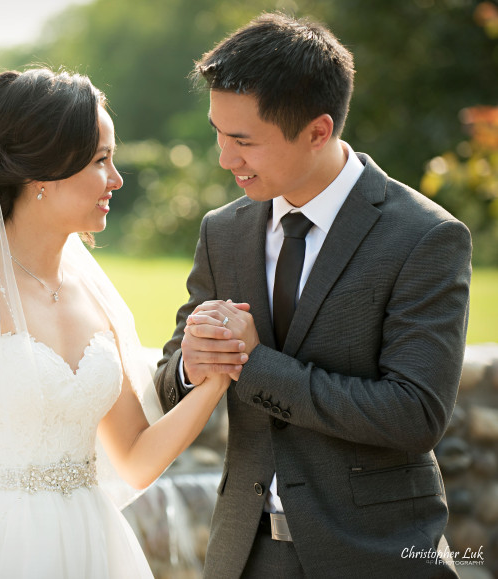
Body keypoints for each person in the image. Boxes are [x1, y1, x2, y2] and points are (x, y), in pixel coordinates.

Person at [0, 67, 231, 579]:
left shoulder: (95, 297)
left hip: (93, 547)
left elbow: (134, 458)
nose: (116, 179)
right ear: (44, 173)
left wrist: (217, 378)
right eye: (101, 160)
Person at [154, 13, 472, 578]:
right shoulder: (221, 232)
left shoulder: (425, 237)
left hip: (377, 557)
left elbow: (413, 414)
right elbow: (169, 381)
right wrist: (190, 364)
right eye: (218, 133)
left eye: (243, 141)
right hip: (243, 557)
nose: (225, 159)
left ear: (318, 131)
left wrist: (251, 363)